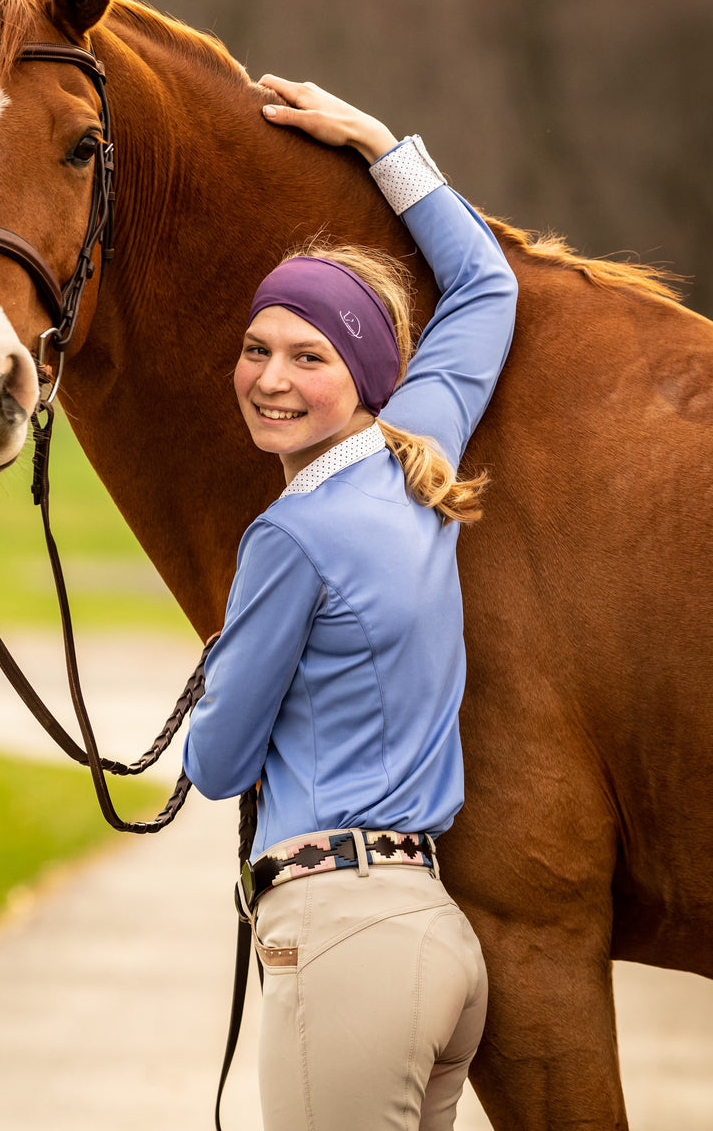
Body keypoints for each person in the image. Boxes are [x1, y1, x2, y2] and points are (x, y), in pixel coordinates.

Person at [182, 76, 518, 1131]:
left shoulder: (291, 536)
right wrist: (380, 143)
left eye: (307, 357)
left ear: (366, 374)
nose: (269, 379)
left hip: (343, 944)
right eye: (256, 348)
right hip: (429, 936)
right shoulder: (416, 449)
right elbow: (485, 285)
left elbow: (214, 763)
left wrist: (231, 658)